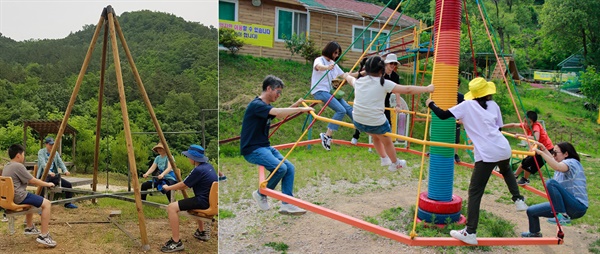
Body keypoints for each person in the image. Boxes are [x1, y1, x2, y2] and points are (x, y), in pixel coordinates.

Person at [426, 77, 528, 245]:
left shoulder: (467, 105)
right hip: (503, 148)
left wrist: (431, 103)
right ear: (487, 93)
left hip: (487, 153)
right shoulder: (493, 105)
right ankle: (518, 199)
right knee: (507, 171)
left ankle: (470, 232)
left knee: (475, 192)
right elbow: (497, 128)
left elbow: (443, 115)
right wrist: (469, 122)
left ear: (473, 94)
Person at [343, 55, 434, 171]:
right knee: (387, 142)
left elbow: (350, 79)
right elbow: (408, 90)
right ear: (382, 69)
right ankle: (395, 163)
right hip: (376, 122)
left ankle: (384, 158)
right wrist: (427, 89)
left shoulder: (359, 81)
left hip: (359, 122)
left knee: (375, 136)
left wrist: (346, 75)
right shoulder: (384, 83)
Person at [241, 75, 314, 215]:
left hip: (265, 147)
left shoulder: (265, 107)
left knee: (290, 168)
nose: (279, 95)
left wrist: (296, 105)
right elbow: (279, 113)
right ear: (269, 88)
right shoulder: (257, 105)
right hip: (253, 149)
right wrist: (301, 110)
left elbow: (279, 113)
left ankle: (287, 204)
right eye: (278, 92)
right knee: (280, 168)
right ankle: (261, 194)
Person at [521, 142, 588, 237]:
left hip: (577, 207)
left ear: (566, 154)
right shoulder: (561, 165)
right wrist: (544, 149)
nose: (553, 155)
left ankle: (562, 216)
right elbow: (554, 162)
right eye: (553, 152)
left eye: (556, 153)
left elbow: (557, 166)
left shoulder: (572, 163)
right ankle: (534, 232)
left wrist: (541, 153)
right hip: (565, 206)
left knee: (550, 183)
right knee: (531, 211)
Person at [160, 145, 217, 252]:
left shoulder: (198, 170)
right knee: (191, 201)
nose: (188, 158)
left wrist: (168, 188)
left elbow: (184, 185)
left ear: (193, 158)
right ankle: (201, 232)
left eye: (188, 156)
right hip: (209, 200)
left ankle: (176, 242)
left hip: (203, 201)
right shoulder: (208, 166)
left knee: (172, 207)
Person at [2, 144, 56, 247]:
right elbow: (33, 181)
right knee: (47, 204)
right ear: (18, 155)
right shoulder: (18, 166)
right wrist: (47, 184)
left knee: (31, 199)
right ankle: (44, 236)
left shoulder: (7, 166)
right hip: (19, 197)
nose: (24, 156)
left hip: (10, 197)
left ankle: (30, 227)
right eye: (23, 154)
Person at [311, 41, 360, 150]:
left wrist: (356, 76)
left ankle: (359, 125)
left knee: (347, 108)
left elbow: (344, 75)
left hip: (329, 92)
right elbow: (318, 67)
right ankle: (327, 135)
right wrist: (327, 67)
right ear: (330, 50)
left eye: (338, 53)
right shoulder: (319, 60)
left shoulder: (333, 64)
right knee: (341, 110)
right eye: (335, 53)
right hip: (319, 91)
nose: (337, 55)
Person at [503, 111, 554, 185]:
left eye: (529, 122)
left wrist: (521, 135)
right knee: (525, 161)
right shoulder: (525, 125)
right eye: (525, 121)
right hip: (537, 148)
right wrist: (501, 126)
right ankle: (516, 175)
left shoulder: (536, 126)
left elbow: (536, 138)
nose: (526, 124)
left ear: (534, 122)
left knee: (528, 162)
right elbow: (513, 124)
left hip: (546, 150)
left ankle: (524, 178)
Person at [37, 137, 77, 209]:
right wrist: (49, 172)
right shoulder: (41, 152)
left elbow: (60, 162)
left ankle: (68, 203)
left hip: (53, 176)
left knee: (68, 185)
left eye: (53, 145)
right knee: (42, 186)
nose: (52, 146)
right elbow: (43, 164)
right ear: (46, 144)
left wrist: (65, 170)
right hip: (44, 175)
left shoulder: (56, 153)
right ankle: (41, 206)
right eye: (50, 145)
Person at [455, 80, 465, 163]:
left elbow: (464, 109)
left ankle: (455, 154)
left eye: (456, 85)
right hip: (445, 118)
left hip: (456, 120)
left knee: (456, 138)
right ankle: (435, 150)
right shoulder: (445, 96)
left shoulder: (461, 97)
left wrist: (461, 119)